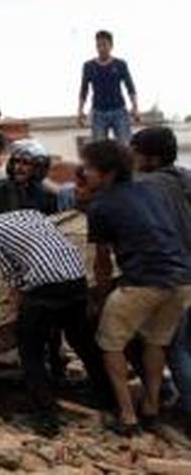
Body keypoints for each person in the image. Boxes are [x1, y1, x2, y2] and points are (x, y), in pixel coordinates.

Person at [0, 182, 110, 436]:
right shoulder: (35, 215)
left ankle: (46, 417)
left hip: (45, 288)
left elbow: (14, 279)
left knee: (30, 351)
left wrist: (18, 311)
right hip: (76, 280)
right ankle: (106, 396)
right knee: (82, 341)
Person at [81, 140, 191, 436]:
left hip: (143, 282)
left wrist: (100, 298)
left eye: (90, 168)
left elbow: (102, 263)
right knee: (156, 343)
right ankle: (152, 409)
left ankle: (128, 417)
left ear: (108, 173)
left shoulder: (100, 205)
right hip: (182, 280)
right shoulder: (149, 190)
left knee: (110, 343)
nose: (85, 173)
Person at [130, 127, 191, 431]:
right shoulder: (183, 177)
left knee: (175, 348)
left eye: (136, 153)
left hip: (172, 276)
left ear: (151, 158)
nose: (133, 159)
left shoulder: (145, 186)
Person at [78, 30, 139, 144]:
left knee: (125, 145)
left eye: (104, 45)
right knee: (99, 149)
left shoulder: (120, 64)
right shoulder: (89, 66)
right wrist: (80, 111)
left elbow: (130, 87)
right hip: (98, 112)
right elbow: (84, 90)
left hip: (119, 110)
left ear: (111, 46)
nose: (101, 48)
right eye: (98, 45)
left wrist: (135, 107)